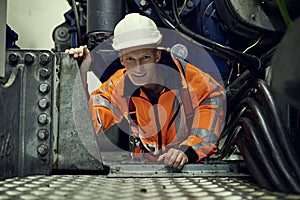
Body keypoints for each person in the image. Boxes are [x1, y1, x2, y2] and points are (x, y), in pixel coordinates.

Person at [66, 13, 226, 169]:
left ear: (156, 56)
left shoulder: (188, 78)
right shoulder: (117, 87)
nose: (138, 68)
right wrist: (81, 73)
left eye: (145, 58)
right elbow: (87, 124)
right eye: (130, 59)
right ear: (121, 60)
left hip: (187, 166)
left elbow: (212, 108)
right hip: (145, 169)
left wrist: (187, 151)